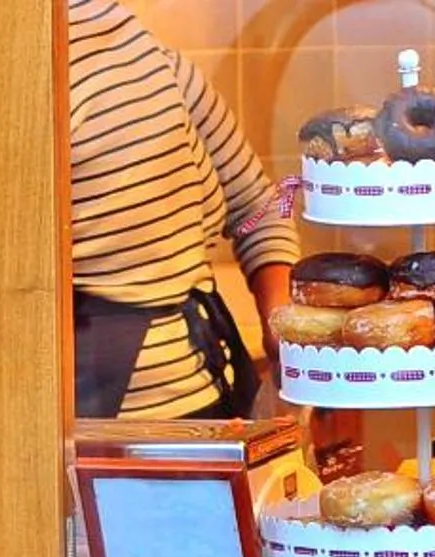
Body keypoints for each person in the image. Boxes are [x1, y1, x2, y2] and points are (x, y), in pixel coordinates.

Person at [66, 0, 298, 420]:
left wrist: (281, 327)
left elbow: (259, 206)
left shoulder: (144, 55)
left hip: (186, 410)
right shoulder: (1, 77)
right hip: (91, 425)